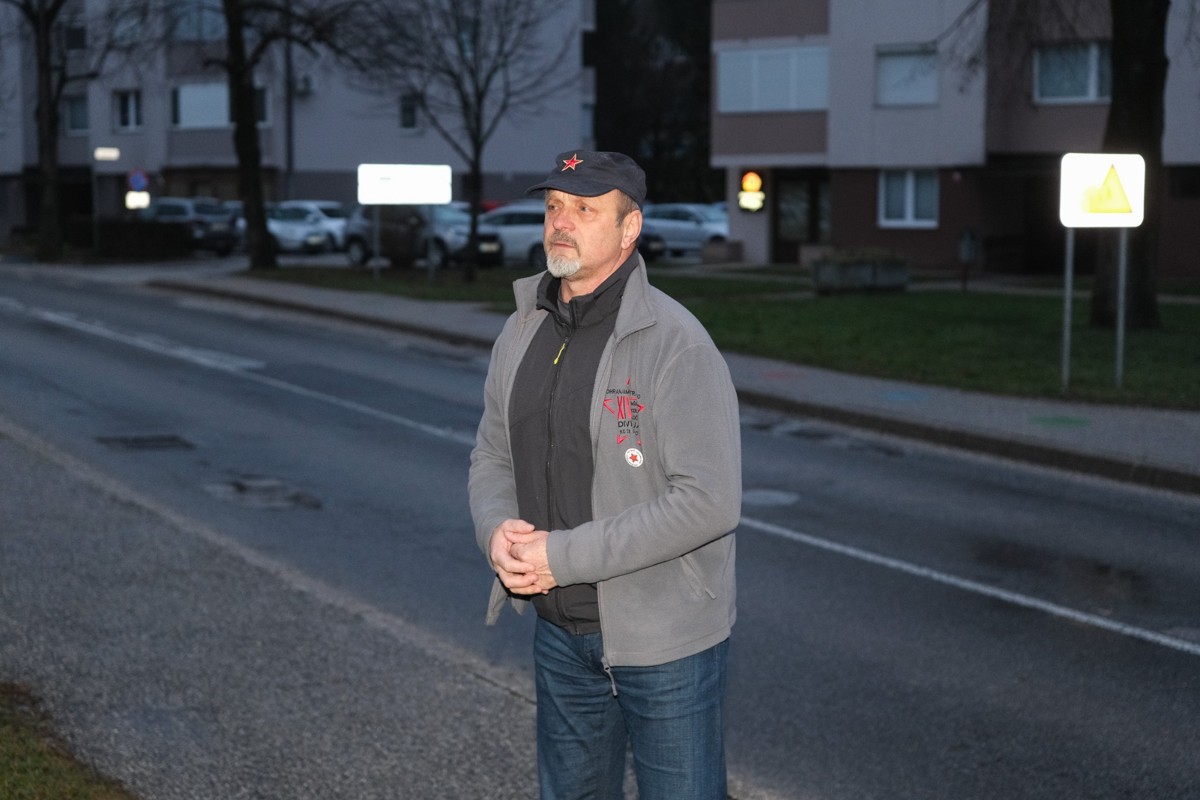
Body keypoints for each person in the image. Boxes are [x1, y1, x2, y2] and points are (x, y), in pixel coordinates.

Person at [468, 149, 742, 800]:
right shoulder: (522, 330)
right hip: (560, 635)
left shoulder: (675, 342)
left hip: (665, 643)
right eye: (554, 206)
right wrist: (496, 531)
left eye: (586, 210)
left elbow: (708, 501)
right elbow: (492, 454)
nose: (561, 222)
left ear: (629, 228)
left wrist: (560, 557)